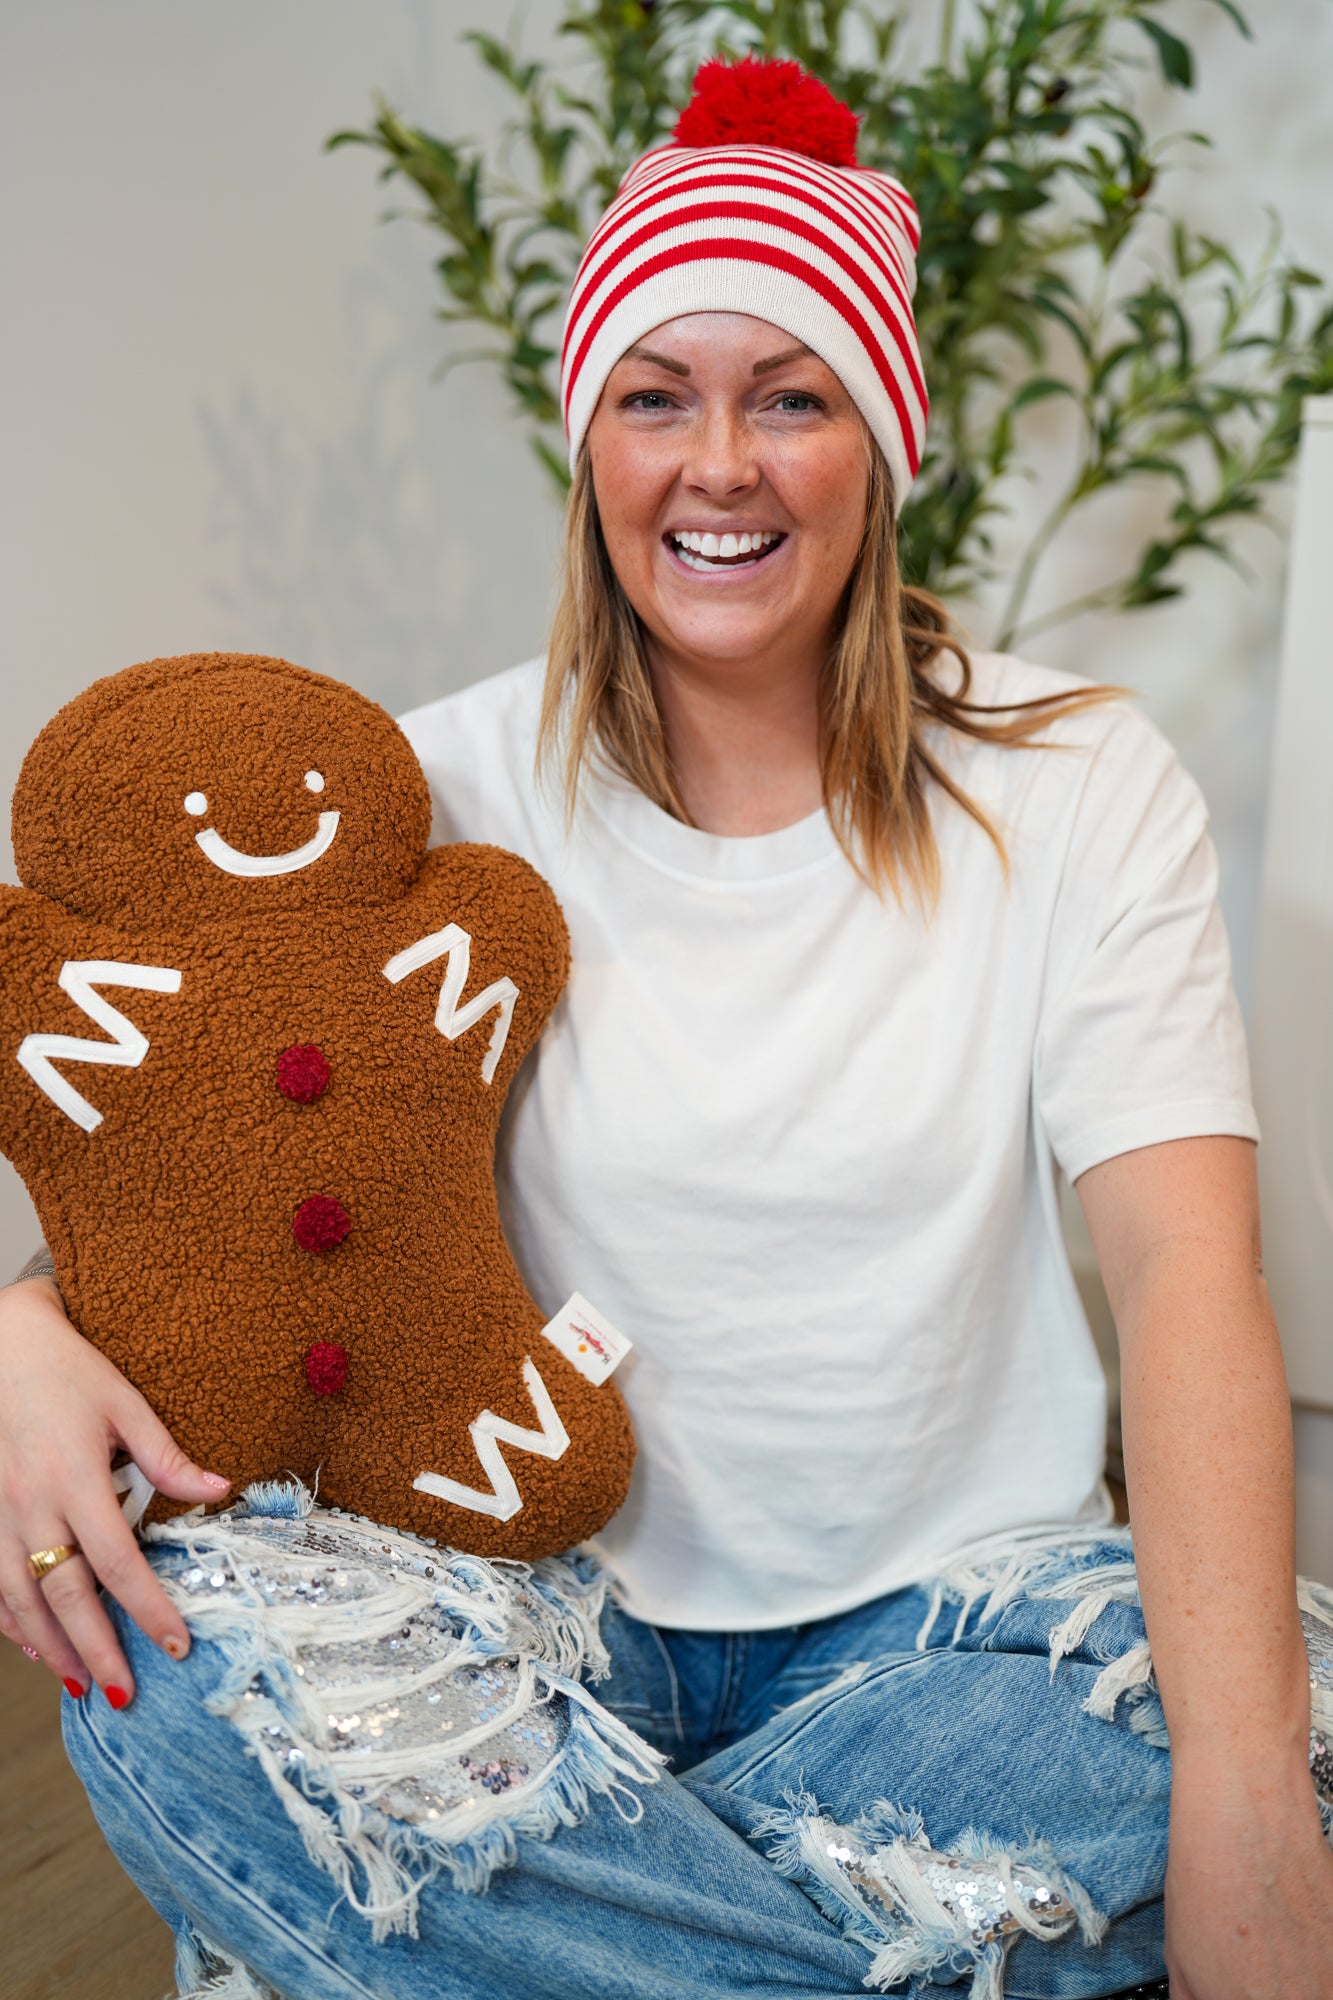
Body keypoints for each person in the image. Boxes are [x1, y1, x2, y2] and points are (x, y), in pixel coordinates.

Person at [1, 55, 1330, 2000]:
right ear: (589, 444)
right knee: (168, 1672)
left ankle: (521, 1933)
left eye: (790, 395)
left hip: (944, 1636)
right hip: (516, 1605)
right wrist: (18, 1325)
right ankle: (833, 1940)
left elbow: (1183, 1270)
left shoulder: (1076, 782)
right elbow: (200, 1155)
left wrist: (1240, 1806)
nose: (721, 463)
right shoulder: (418, 791)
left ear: (877, 444)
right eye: (657, 397)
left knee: (1283, 1737)